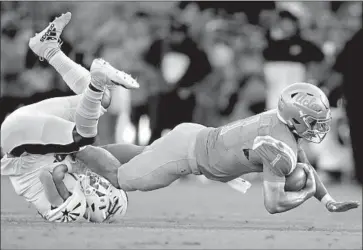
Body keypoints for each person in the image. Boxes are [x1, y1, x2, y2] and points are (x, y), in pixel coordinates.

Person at [77, 82, 360, 214]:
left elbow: (305, 165)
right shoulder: (278, 148)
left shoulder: (279, 121)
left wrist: (327, 201)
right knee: (120, 178)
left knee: (143, 152)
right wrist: (307, 192)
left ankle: (79, 150)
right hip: (185, 155)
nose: (319, 128)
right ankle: (73, 150)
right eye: (314, 121)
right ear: (296, 118)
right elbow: (274, 204)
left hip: (194, 134)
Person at [0, 12, 138, 222]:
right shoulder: (80, 186)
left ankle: (97, 79)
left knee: (81, 138)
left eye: (106, 193)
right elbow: (102, 154)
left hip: (18, 138)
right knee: (100, 101)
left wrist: (71, 177)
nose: (102, 187)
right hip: (32, 132)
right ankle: (49, 49)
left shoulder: (70, 206)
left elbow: (48, 176)